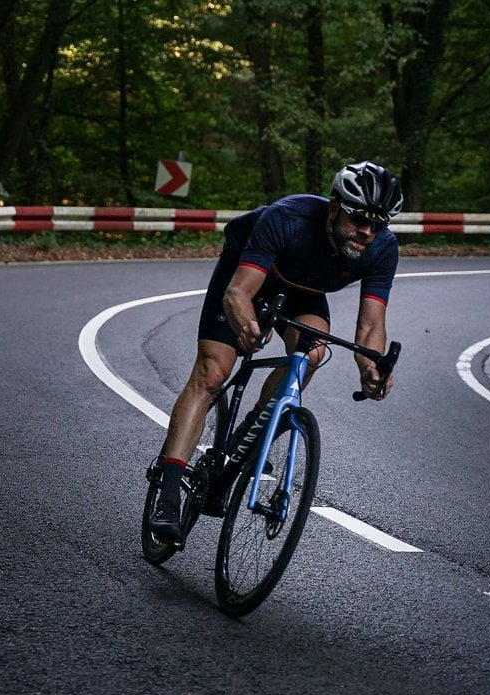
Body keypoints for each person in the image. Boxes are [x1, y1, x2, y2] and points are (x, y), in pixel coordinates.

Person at [149, 160, 405, 542]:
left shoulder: (382, 248)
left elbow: (370, 326)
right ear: (334, 207)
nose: (367, 231)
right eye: (357, 219)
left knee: (313, 354)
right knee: (212, 373)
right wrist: (247, 327)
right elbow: (238, 293)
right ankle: (168, 492)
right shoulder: (287, 218)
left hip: (304, 293)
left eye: (377, 223)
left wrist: (371, 368)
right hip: (249, 275)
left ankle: (248, 438)